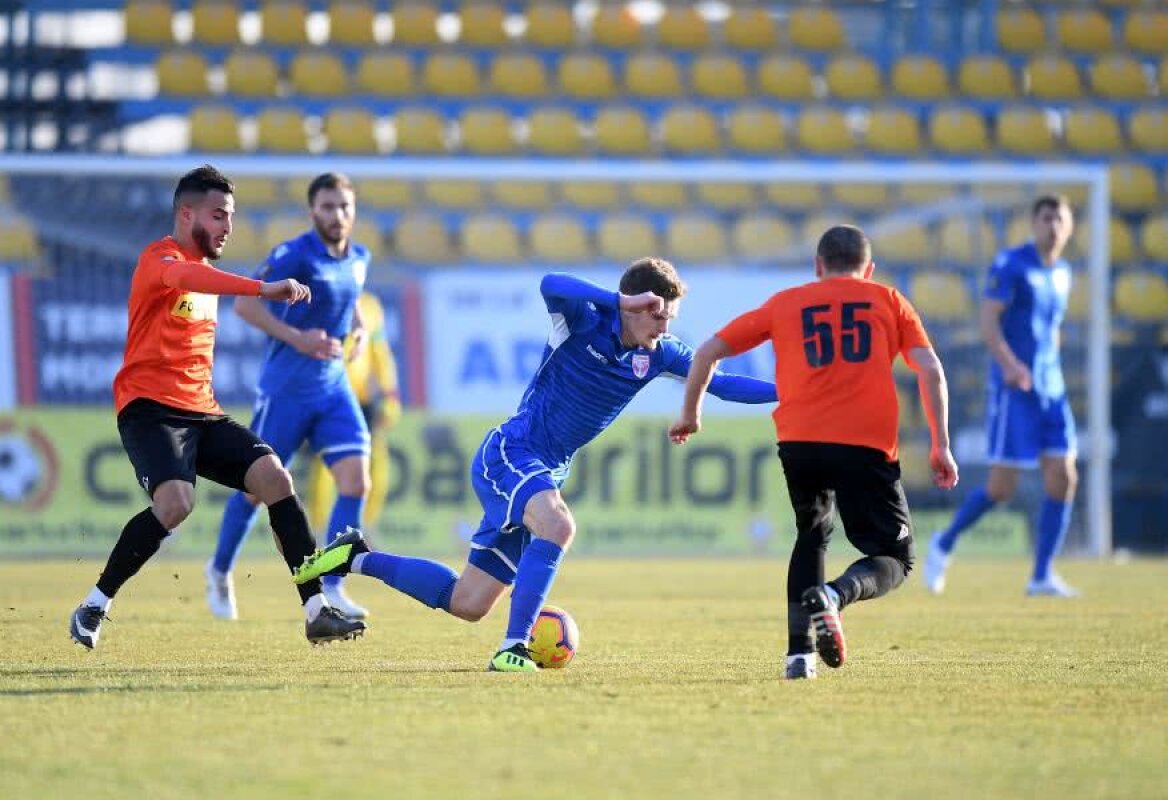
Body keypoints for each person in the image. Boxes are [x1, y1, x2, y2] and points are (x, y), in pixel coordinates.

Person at [291, 259, 779, 672]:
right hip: (511, 451)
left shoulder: (658, 354)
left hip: (545, 468)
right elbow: (551, 283)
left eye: (670, 318)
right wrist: (616, 300)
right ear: (632, 305)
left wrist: (792, 393)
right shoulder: (583, 321)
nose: (665, 328)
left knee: (468, 602)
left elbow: (722, 382)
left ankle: (355, 556)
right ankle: (513, 647)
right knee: (559, 524)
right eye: (658, 316)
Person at [69, 165, 365, 650]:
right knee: (175, 504)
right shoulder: (160, 258)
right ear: (187, 215)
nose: (228, 226)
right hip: (149, 409)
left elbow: (199, 285)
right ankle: (95, 604)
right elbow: (181, 275)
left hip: (202, 412)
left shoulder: (206, 275)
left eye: (231, 216)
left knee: (276, 478)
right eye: (219, 215)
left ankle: (316, 609)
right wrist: (263, 288)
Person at [669, 225, 958, 680]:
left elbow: (707, 352)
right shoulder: (889, 301)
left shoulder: (786, 303)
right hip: (865, 443)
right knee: (896, 557)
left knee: (812, 535)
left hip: (800, 441)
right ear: (870, 269)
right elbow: (930, 369)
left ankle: (798, 657)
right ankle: (835, 596)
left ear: (818, 266)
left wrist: (690, 413)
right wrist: (940, 444)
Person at [207, 173, 375, 621]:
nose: (337, 215)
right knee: (255, 489)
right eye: (327, 206)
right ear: (312, 212)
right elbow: (244, 305)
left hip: (333, 386)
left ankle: (335, 585)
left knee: (357, 481)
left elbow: (353, 299)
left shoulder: (359, 257)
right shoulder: (295, 254)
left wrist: (360, 330)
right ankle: (220, 570)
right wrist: (298, 338)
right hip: (286, 389)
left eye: (344, 206)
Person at [924, 196, 1080, 598]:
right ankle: (943, 543)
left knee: (1064, 476)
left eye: (1060, 219)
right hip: (1014, 391)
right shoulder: (1011, 264)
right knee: (1001, 488)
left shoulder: (1063, 273)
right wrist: (1010, 366)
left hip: (1051, 389)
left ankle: (1041, 574)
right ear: (1033, 222)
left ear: (1070, 226)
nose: (1053, 226)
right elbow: (988, 322)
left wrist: (1051, 369)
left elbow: (1052, 329)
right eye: (1046, 218)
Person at [306, 290, 401, 541]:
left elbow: (380, 351)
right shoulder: (322, 298)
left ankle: (365, 527)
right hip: (330, 395)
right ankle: (318, 529)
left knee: (377, 461)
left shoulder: (370, 305)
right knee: (326, 465)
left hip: (362, 398)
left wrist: (390, 392)